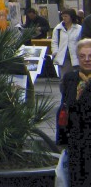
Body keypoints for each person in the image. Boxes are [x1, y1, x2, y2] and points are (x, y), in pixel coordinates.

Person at [57, 38, 91, 186]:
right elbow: (64, 107)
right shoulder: (70, 78)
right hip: (75, 140)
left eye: (90, 56)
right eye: (82, 56)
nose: (87, 60)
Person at [52, 9, 82, 78]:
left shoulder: (79, 28)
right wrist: (55, 52)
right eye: (63, 16)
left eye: (66, 16)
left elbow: (81, 42)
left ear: (71, 17)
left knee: (76, 77)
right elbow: (54, 42)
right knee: (63, 77)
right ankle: (63, 89)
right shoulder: (58, 29)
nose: (64, 18)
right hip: (63, 55)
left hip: (75, 55)